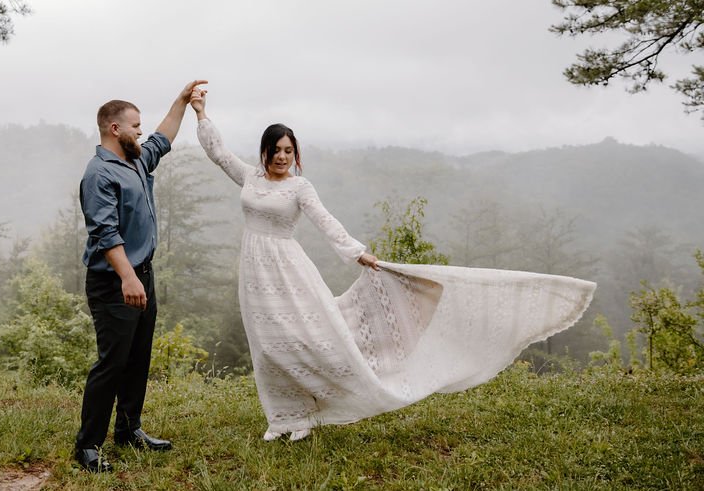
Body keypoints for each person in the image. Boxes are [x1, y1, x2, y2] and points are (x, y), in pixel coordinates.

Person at [189, 86, 596, 442]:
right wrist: (202, 113)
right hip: (254, 272)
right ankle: (282, 416)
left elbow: (326, 221)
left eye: (289, 151)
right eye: (276, 150)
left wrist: (356, 252)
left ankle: (309, 412)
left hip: (289, 269)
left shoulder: (300, 186)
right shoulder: (250, 177)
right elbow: (218, 153)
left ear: (296, 155)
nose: (282, 157)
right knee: (267, 344)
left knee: (303, 336)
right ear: (264, 151)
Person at [74, 79, 207, 473]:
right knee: (111, 363)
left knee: (137, 359)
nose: (140, 131)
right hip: (115, 281)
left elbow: (163, 137)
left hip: (141, 275)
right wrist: (128, 278)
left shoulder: (135, 159)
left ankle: (129, 430)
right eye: (135, 125)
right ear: (114, 128)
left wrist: (182, 101)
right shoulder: (99, 173)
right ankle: (88, 447)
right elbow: (104, 232)